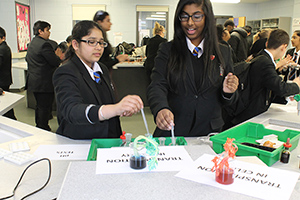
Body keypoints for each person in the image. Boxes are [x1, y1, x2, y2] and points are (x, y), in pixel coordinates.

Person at [147, 0, 239, 137]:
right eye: (184, 16)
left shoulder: (223, 52)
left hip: (209, 132)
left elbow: (231, 100)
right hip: (174, 130)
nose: (190, 23)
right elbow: (157, 85)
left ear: (207, 18)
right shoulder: (168, 50)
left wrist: (228, 92)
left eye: (197, 16)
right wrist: (161, 108)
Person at [52, 20, 143, 139]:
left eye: (101, 43)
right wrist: (115, 109)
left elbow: (105, 103)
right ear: (75, 44)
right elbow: (72, 110)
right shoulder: (66, 72)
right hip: (82, 141)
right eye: (92, 42)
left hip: (108, 138)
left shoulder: (101, 68)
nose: (98, 47)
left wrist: (121, 109)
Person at [229, 29, 300, 126]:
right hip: (251, 113)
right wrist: (296, 85)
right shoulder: (265, 62)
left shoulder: (261, 57)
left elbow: (266, 80)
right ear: (284, 47)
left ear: (267, 43)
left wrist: (277, 71)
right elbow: (280, 88)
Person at [26, 20, 62, 131]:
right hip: (44, 82)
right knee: (45, 107)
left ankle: (40, 126)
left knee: (40, 106)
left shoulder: (32, 43)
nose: (49, 33)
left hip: (34, 80)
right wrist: (58, 56)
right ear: (40, 31)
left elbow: (28, 58)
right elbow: (55, 61)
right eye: (47, 30)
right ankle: (43, 127)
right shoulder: (44, 44)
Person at [0, 26, 16, 120]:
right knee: (7, 107)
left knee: (6, 108)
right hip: (5, 80)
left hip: (2, 81)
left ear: (3, 38)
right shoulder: (4, 47)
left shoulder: (2, 49)